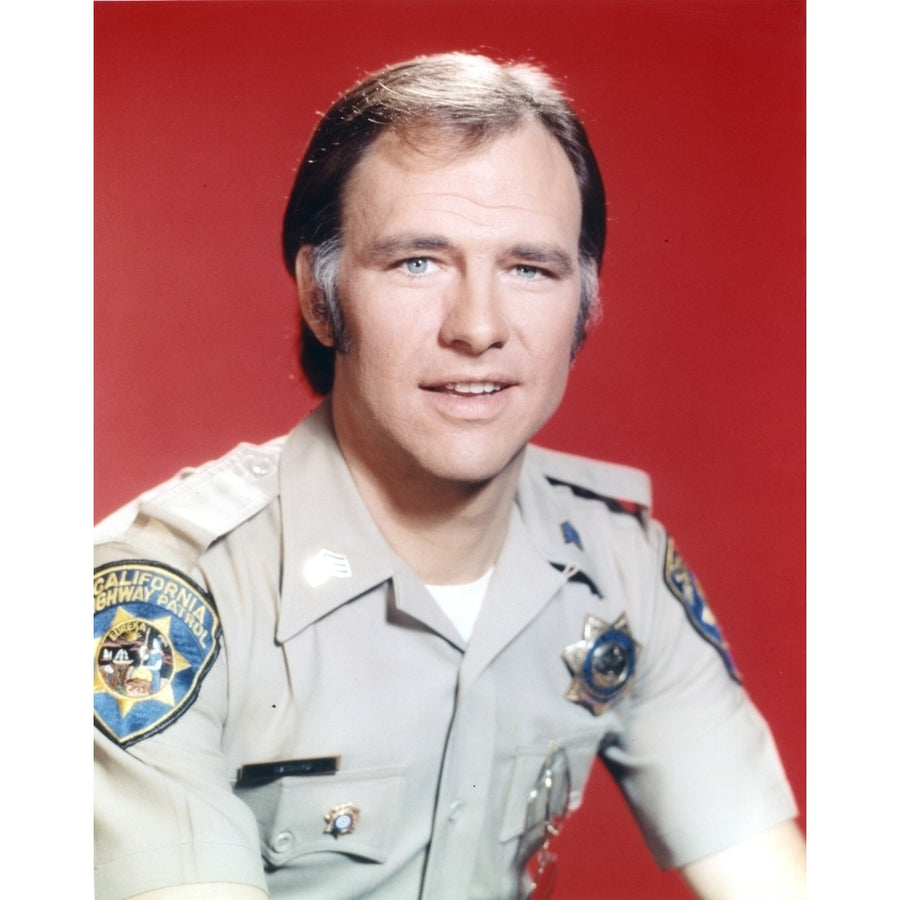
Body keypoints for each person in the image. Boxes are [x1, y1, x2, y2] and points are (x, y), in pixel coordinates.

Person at [93, 52, 805, 899]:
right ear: (321, 300)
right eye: (417, 263)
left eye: (529, 269)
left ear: (583, 302)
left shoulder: (619, 564)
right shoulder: (163, 596)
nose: (478, 327)